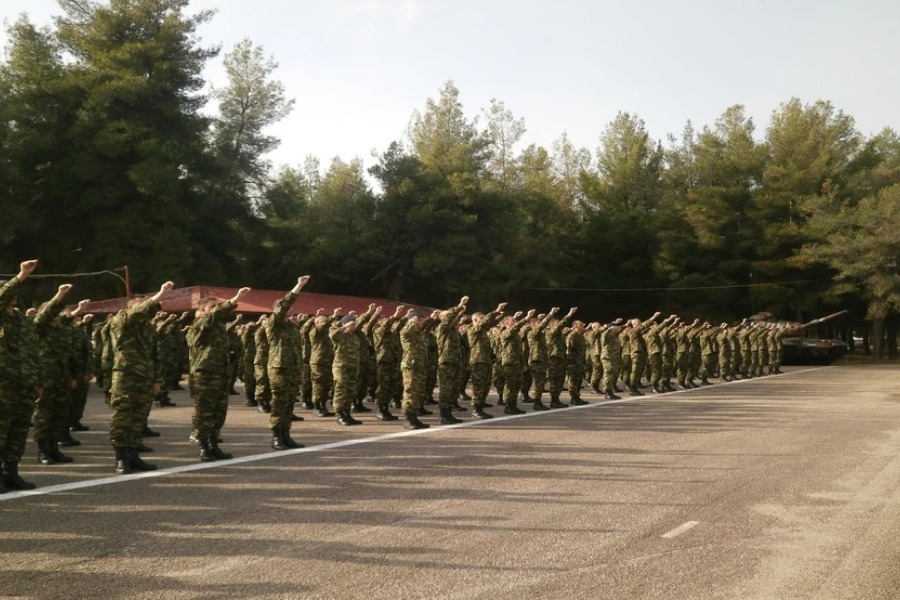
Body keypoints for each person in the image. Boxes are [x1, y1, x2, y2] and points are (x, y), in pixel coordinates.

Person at [108, 281, 174, 474]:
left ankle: (134, 455)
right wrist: (160, 294)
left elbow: (153, 356)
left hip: (144, 378)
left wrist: (156, 380)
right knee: (123, 418)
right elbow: (139, 311)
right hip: (126, 377)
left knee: (138, 419)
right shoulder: (121, 321)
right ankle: (121, 458)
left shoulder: (147, 328)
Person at [186, 287, 250, 461]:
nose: (216, 309)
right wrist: (236, 298)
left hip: (220, 374)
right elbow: (215, 315)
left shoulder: (218, 327)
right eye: (212, 307)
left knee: (218, 412)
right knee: (205, 413)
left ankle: (213, 444)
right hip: (205, 374)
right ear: (202, 311)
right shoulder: (200, 324)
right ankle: (204, 447)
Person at [0, 259, 41, 492]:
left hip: (24, 384)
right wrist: (21, 276)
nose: (13, 295)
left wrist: (37, 381)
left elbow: (33, 351)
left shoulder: (22, 322)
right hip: (3, 384)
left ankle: (11, 472)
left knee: (18, 429)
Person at [32, 286, 81, 465]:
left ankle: (54, 448)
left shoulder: (64, 330)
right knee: (43, 416)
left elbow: (71, 355)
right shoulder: (39, 329)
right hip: (45, 379)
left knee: (59, 415)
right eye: (53, 311)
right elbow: (43, 317)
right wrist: (60, 294)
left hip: (62, 378)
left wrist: (73, 376)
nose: (56, 315)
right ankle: (43, 450)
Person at [266, 276, 310, 451]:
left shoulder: (292, 328)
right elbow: (283, 306)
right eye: (288, 309)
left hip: (292, 369)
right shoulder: (273, 324)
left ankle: (286, 435)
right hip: (280, 370)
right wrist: (298, 286)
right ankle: (276, 437)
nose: (291, 312)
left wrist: (301, 369)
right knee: (279, 403)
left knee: (290, 403)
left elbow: (297, 351)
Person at [466, 302, 506, 419]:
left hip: (485, 360)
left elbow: (491, 323)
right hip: (478, 361)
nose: (484, 320)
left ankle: (481, 404)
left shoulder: (482, 330)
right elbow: (486, 322)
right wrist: (496, 311)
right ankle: (476, 409)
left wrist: (499, 316)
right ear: (475, 320)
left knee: (485, 384)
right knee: (479, 385)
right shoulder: (472, 329)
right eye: (481, 318)